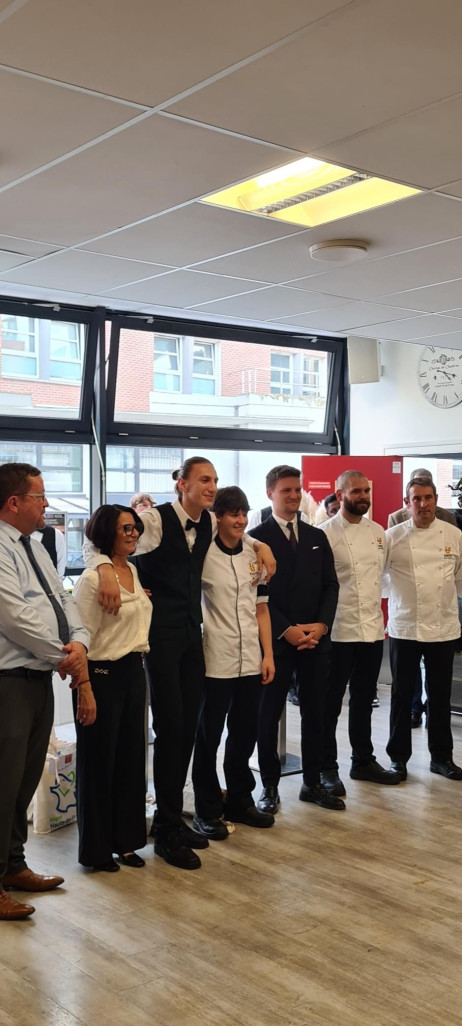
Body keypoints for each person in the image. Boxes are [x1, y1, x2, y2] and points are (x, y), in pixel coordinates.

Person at [85, 456, 276, 871]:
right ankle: (166, 831)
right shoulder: (152, 520)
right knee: (169, 725)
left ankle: (170, 818)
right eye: (203, 480)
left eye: (215, 480)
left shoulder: (209, 523)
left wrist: (262, 544)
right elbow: (100, 539)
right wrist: (102, 567)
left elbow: (239, 541)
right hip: (158, 639)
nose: (211, 487)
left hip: (193, 636)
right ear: (182, 484)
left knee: (186, 728)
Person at [0, 462, 93, 921]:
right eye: (39, 496)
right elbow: (14, 616)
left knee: (21, 781)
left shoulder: (35, 547)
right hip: (9, 684)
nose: (47, 504)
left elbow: (65, 599)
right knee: (2, 783)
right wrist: (65, 655)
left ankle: (13, 866)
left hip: (38, 681)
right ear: (14, 502)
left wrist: (79, 643)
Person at [249, 465, 344, 814]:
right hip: (276, 642)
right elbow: (256, 593)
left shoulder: (317, 536)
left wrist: (321, 625)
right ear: (270, 492)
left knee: (316, 712)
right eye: (286, 490)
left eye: (297, 490)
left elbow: (331, 585)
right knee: (268, 714)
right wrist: (286, 630)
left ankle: (313, 782)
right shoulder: (256, 539)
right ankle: (270, 787)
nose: (293, 495)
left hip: (315, 640)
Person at [192, 487, 275, 840]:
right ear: (218, 516)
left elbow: (261, 608)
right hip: (215, 658)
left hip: (250, 660)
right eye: (232, 513)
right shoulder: (203, 552)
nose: (240, 520)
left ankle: (240, 799)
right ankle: (207, 809)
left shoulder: (253, 556)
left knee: (244, 735)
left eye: (244, 513)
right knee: (208, 738)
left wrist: (268, 653)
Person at [73, 505, 152, 872]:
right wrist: (84, 687)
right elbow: (80, 637)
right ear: (108, 532)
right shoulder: (92, 578)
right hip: (100, 675)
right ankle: (97, 850)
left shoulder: (131, 569)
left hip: (134, 672)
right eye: (126, 529)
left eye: (135, 527)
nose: (134, 533)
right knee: (99, 764)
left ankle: (127, 841)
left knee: (131, 761)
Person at [319, 470, 401, 796]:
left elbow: (380, 577)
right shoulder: (323, 534)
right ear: (340, 495)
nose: (363, 496)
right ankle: (326, 767)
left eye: (366, 491)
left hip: (370, 629)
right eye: (356, 491)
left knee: (365, 701)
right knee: (330, 704)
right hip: (338, 630)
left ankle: (362, 760)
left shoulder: (379, 532)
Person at [385, 477, 462, 780]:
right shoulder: (392, 537)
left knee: (440, 695)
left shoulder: (454, 534)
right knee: (402, 695)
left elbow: (459, 579)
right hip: (405, 625)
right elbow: (379, 579)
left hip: (442, 625)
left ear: (435, 500)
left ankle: (441, 758)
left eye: (428, 498)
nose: (423, 504)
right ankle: (398, 758)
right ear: (407, 504)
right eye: (416, 499)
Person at [387, 468, 457, 527]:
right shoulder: (396, 518)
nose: (422, 484)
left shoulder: (448, 517)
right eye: (417, 481)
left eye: (427, 482)